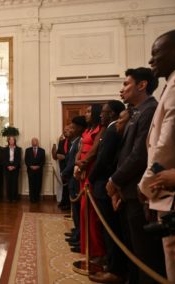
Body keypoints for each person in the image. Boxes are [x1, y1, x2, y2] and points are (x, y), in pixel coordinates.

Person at [106, 67, 165, 283]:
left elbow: (139, 155)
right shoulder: (138, 111)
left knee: (145, 255)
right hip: (127, 191)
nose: (122, 88)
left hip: (138, 193)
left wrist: (114, 180)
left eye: (126, 84)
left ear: (142, 85)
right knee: (133, 249)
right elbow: (126, 152)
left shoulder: (150, 110)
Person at [138, 29, 175, 283]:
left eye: (156, 54)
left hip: (169, 189)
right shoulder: (171, 84)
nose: (152, 60)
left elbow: (165, 145)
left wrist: (146, 186)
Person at [88, 100, 127, 283]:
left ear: (112, 113)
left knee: (110, 229)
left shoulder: (112, 131)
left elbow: (103, 161)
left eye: (104, 112)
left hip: (104, 185)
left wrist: (91, 178)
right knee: (106, 228)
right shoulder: (111, 129)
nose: (100, 115)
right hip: (103, 184)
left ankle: (114, 269)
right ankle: (109, 262)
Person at [75, 104, 106, 259]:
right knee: (83, 210)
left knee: (90, 210)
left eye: (88, 111)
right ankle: (85, 245)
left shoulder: (100, 128)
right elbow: (80, 149)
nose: (85, 114)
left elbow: (95, 149)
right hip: (82, 168)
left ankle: (97, 250)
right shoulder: (87, 129)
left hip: (90, 168)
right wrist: (77, 163)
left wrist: (83, 164)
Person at [61, 116, 87, 253]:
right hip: (72, 179)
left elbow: (72, 163)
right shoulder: (74, 141)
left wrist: (64, 172)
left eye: (72, 127)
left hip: (75, 179)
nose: (69, 130)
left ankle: (79, 236)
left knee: (78, 210)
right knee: (75, 211)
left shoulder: (79, 141)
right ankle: (77, 233)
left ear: (79, 128)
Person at [53, 126, 70, 210]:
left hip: (69, 165)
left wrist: (64, 157)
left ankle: (68, 203)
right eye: (64, 130)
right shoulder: (61, 141)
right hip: (62, 166)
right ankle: (64, 201)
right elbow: (58, 152)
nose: (65, 131)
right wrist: (57, 155)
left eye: (67, 130)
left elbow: (71, 154)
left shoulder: (73, 141)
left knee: (69, 185)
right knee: (64, 184)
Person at [25, 137, 45, 203]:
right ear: (31, 143)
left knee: (38, 184)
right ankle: (32, 198)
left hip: (39, 171)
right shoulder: (27, 150)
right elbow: (26, 160)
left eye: (35, 141)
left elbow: (43, 161)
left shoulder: (42, 150)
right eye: (33, 141)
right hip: (30, 170)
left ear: (37, 142)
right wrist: (31, 166)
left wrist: (37, 166)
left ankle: (37, 198)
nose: (34, 142)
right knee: (31, 184)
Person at [4, 136, 21, 202]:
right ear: (8, 141)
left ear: (14, 141)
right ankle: (9, 198)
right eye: (10, 140)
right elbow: (4, 159)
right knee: (8, 182)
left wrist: (14, 166)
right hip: (7, 167)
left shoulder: (18, 149)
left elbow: (18, 159)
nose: (11, 141)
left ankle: (14, 198)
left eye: (12, 140)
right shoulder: (5, 149)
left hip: (15, 167)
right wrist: (8, 166)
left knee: (14, 182)